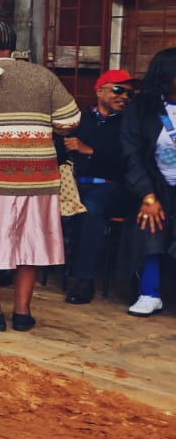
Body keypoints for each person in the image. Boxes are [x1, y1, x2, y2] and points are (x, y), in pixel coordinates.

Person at [0, 21, 80, 331]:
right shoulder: (43, 75)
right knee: (29, 243)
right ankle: (23, 313)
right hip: (37, 177)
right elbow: (70, 120)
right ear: (13, 47)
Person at [62, 68, 133, 305]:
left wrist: (91, 151)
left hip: (113, 188)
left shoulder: (130, 124)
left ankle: (84, 280)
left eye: (128, 94)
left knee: (90, 207)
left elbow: (129, 161)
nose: (124, 97)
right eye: (118, 90)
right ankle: (9, 270)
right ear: (99, 91)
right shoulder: (80, 120)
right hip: (75, 185)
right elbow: (62, 150)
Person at [120, 47, 176, 317]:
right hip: (155, 185)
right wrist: (148, 195)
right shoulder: (142, 108)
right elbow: (132, 154)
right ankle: (150, 293)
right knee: (149, 222)